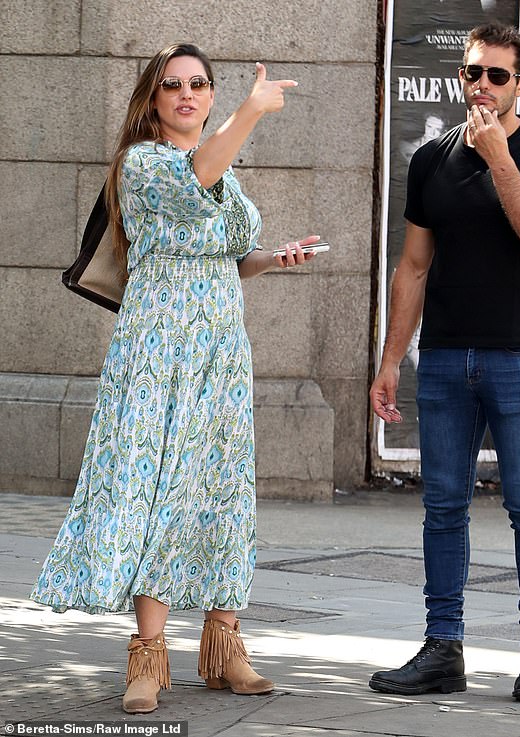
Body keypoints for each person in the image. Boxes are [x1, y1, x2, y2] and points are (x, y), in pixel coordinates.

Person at [31, 42, 321, 714]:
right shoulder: (143, 164)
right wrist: (251, 112)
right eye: (172, 85)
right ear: (153, 98)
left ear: (209, 95)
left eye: (198, 85)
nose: (187, 94)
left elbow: (229, 251)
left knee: (221, 488)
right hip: (158, 351)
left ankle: (225, 648)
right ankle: (147, 658)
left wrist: (275, 258)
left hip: (219, 350)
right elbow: (195, 178)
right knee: (158, 488)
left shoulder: (222, 169)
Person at [369, 23, 520, 702]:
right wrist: (389, 360)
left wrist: (499, 158)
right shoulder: (431, 158)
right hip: (444, 360)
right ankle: (442, 647)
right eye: (473, 74)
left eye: (497, 75)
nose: (482, 87)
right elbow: (413, 263)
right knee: (442, 508)